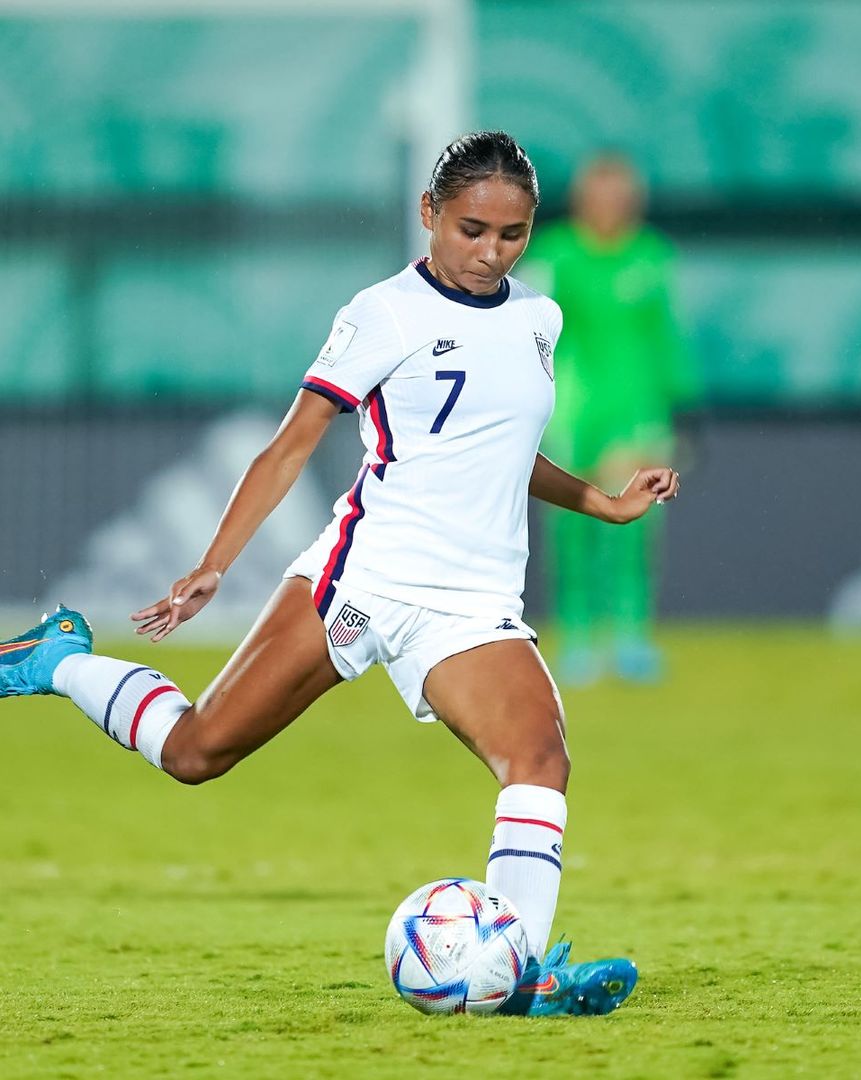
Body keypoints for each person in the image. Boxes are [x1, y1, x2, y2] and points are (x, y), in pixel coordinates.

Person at [0, 132, 678, 1017]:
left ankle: (519, 974)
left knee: (540, 761)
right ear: (429, 212)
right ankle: (59, 660)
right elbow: (290, 445)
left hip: (473, 603)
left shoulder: (537, 319)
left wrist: (604, 503)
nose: (490, 252)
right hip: (366, 580)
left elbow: (504, 452)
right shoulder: (384, 313)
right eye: (471, 229)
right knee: (196, 751)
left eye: (511, 235)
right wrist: (213, 566)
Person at [524, 154, 697, 686]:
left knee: (636, 524)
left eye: (621, 196)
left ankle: (630, 634)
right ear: (582, 199)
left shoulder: (652, 257)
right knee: (572, 525)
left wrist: (683, 403)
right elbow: (529, 329)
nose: (611, 206)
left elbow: (667, 334)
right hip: (572, 409)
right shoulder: (555, 254)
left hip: (636, 411)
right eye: (601, 195)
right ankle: (576, 634)